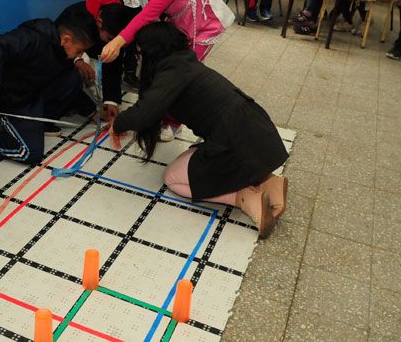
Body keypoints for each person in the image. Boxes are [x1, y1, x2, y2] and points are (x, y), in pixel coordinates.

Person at [109, 23, 289, 239]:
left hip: (233, 141)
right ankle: (269, 181)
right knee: (197, 158)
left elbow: (145, 111)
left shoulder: (170, 71)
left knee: (172, 178)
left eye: (140, 53)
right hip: (259, 132)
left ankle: (243, 197)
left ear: (151, 51)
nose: (140, 60)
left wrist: (118, 124)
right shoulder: (185, 60)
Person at [100, 0, 235, 141]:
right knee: (166, 71)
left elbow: (146, 16)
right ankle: (160, 113)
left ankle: (173, 123)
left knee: (180, 76)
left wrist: (118, 41)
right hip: (183, 25)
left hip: (204, 27)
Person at [0, 4, 100, 163]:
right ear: (66, 39)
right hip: (12, 100)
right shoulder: (31, 38)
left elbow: (68, 84)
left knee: (73, 76)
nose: (80, 55)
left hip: (32, 93)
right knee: (29, 152)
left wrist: (92, 112)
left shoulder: (61, 50)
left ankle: (42, 123)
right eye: (79, 50)